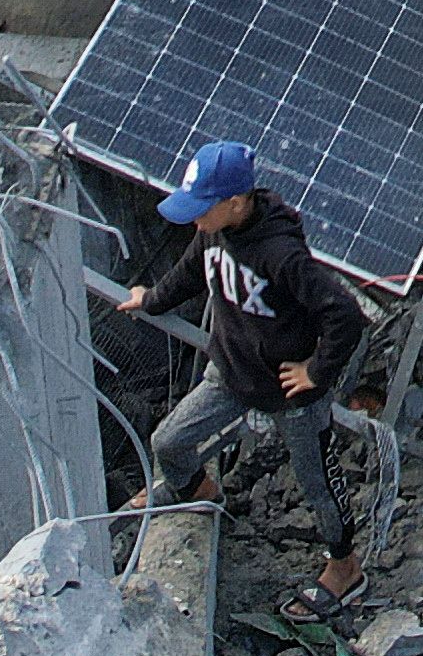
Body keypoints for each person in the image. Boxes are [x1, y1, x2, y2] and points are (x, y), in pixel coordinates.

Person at [124, 140, 367, 621]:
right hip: (230, 373)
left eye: (201, 209)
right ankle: (202, 491)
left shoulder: (280, 253)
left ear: (236, 203)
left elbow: (345, 314)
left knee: (317, 483)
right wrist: (150, 299)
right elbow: (191, 272)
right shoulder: (215, 234)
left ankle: (345, 569)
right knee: (168, 441)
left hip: (290, 392)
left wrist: (316, 372)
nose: (194, 220)